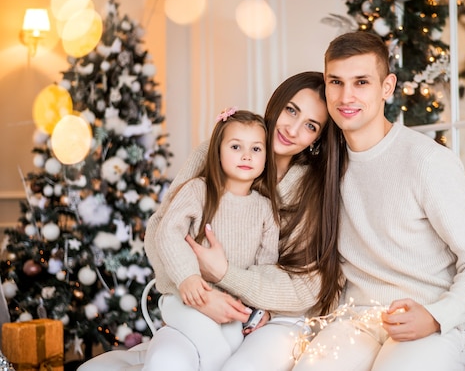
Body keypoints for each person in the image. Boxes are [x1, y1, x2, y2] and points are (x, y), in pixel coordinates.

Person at [77, 71, 345, 371]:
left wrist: (227, 280)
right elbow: (160, 232)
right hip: (193, 298)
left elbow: (303, 283)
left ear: (316, 139)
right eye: (291, 110)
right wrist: (193, 290)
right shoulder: (215, 153)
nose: (293, 129)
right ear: (276, 104)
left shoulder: (311, 187)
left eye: (310, 126)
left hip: (267, 315)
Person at [288, 31, 465, 370]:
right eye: (336, 82)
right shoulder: (325, 163)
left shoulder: (427, 161)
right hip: (355, 321)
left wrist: (436, 316)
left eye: (361, 82)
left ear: (387, 87)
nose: (346, 96)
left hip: (428, 323)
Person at [144, 108, 282, 371]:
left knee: (232, 346)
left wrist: (260, 307)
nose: (246, 155)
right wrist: (188, 276)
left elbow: (266, 265)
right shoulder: (198, 190)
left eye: (256, 149)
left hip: (229, 309)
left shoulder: (265, 208)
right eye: (235, 146)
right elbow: (167, 233)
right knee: (216, 350)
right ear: (218, 151)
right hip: (186, 300)